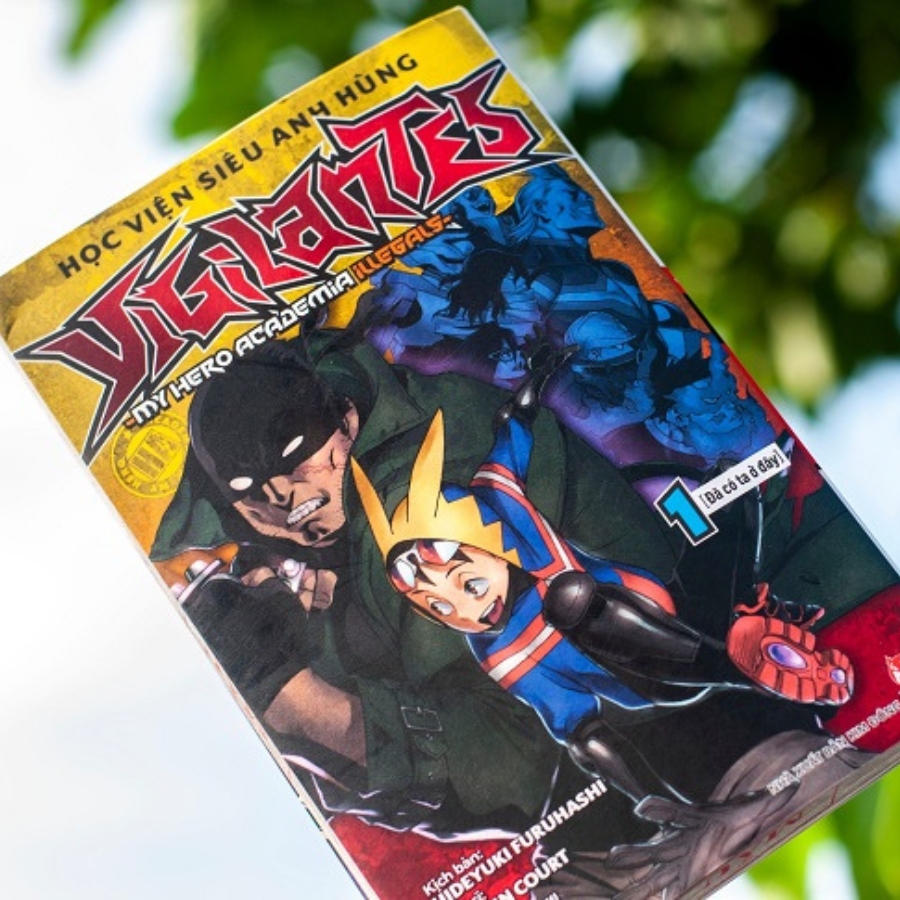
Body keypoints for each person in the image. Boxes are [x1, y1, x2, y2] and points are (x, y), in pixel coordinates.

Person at [150, 332, 682, 841]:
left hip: (652, 693)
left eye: (294, 452)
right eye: (249, 490)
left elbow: (506, 764)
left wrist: (300, 701)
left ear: (347, 419)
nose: (282, 495)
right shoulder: (308, 529)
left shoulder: (413, 495)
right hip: (595, 721)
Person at [349, 386, 854, 806]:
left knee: (579, 593)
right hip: (646, 684)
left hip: (656, 605)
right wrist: (658, 803)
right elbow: (580, 729)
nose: (470, 612)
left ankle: (745, 657)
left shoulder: (501, 505)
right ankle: (742, 669)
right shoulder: (498, 651)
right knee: (570, 611)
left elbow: (508, 449)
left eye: (470, 585)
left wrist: (523, 405)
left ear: (490, 541)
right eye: (440, 609)